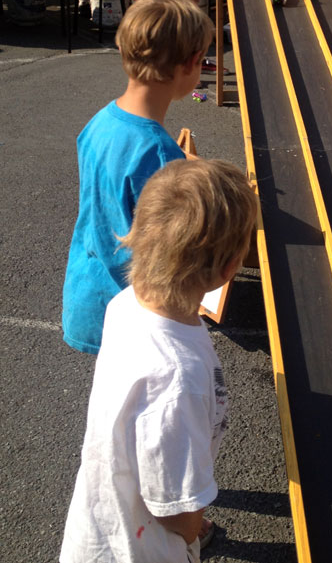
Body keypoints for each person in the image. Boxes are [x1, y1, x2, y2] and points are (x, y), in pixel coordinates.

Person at [60, 157, 258, 563]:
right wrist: (191, 528)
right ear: (228, 268)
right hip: (138, 550)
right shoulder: (176, 377)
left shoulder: (126, 303)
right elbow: (178, 511)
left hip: (102, 524)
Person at [62, 0, 213, 356]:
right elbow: (173, 251)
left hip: (90, 292)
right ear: (192, 63)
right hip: (135, 314)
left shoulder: (100, 121)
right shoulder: (160, 154)